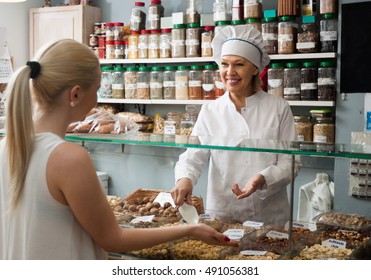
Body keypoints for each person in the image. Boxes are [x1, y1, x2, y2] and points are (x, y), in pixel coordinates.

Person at [0, 39, 237, 260]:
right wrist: (189, 230)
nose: (97, 100)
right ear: (75, 94)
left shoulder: (7, 145)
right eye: (97, 90)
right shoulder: (67, 158)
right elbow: (113, 239)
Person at [171, 25, 301, 224]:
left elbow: (290, 162)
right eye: (224, 64)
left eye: (239, 64)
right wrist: (184, 179)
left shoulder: (278, 107)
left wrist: (263, 178)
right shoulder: (210, 110)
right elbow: (193, 156)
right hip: (224, 214)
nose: (229, 72)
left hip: (270, 216)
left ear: (255, 68)